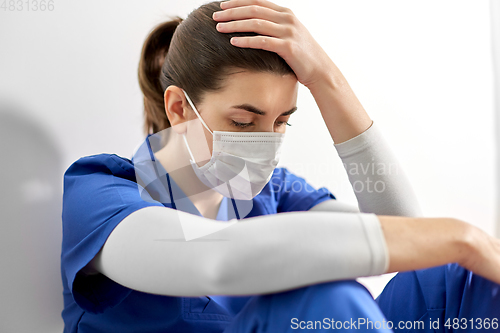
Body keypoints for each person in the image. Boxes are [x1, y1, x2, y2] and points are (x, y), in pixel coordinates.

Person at [60, 1, 500, 332]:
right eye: (243, 121)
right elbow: (218, 262)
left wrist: (325, 77)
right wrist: (462, 237)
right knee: (328, 298)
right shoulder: (101, 193)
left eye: (282, 121)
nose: (266, 143)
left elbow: (405, 236)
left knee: (459, 279)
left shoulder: (273, 194)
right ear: (179, 108)